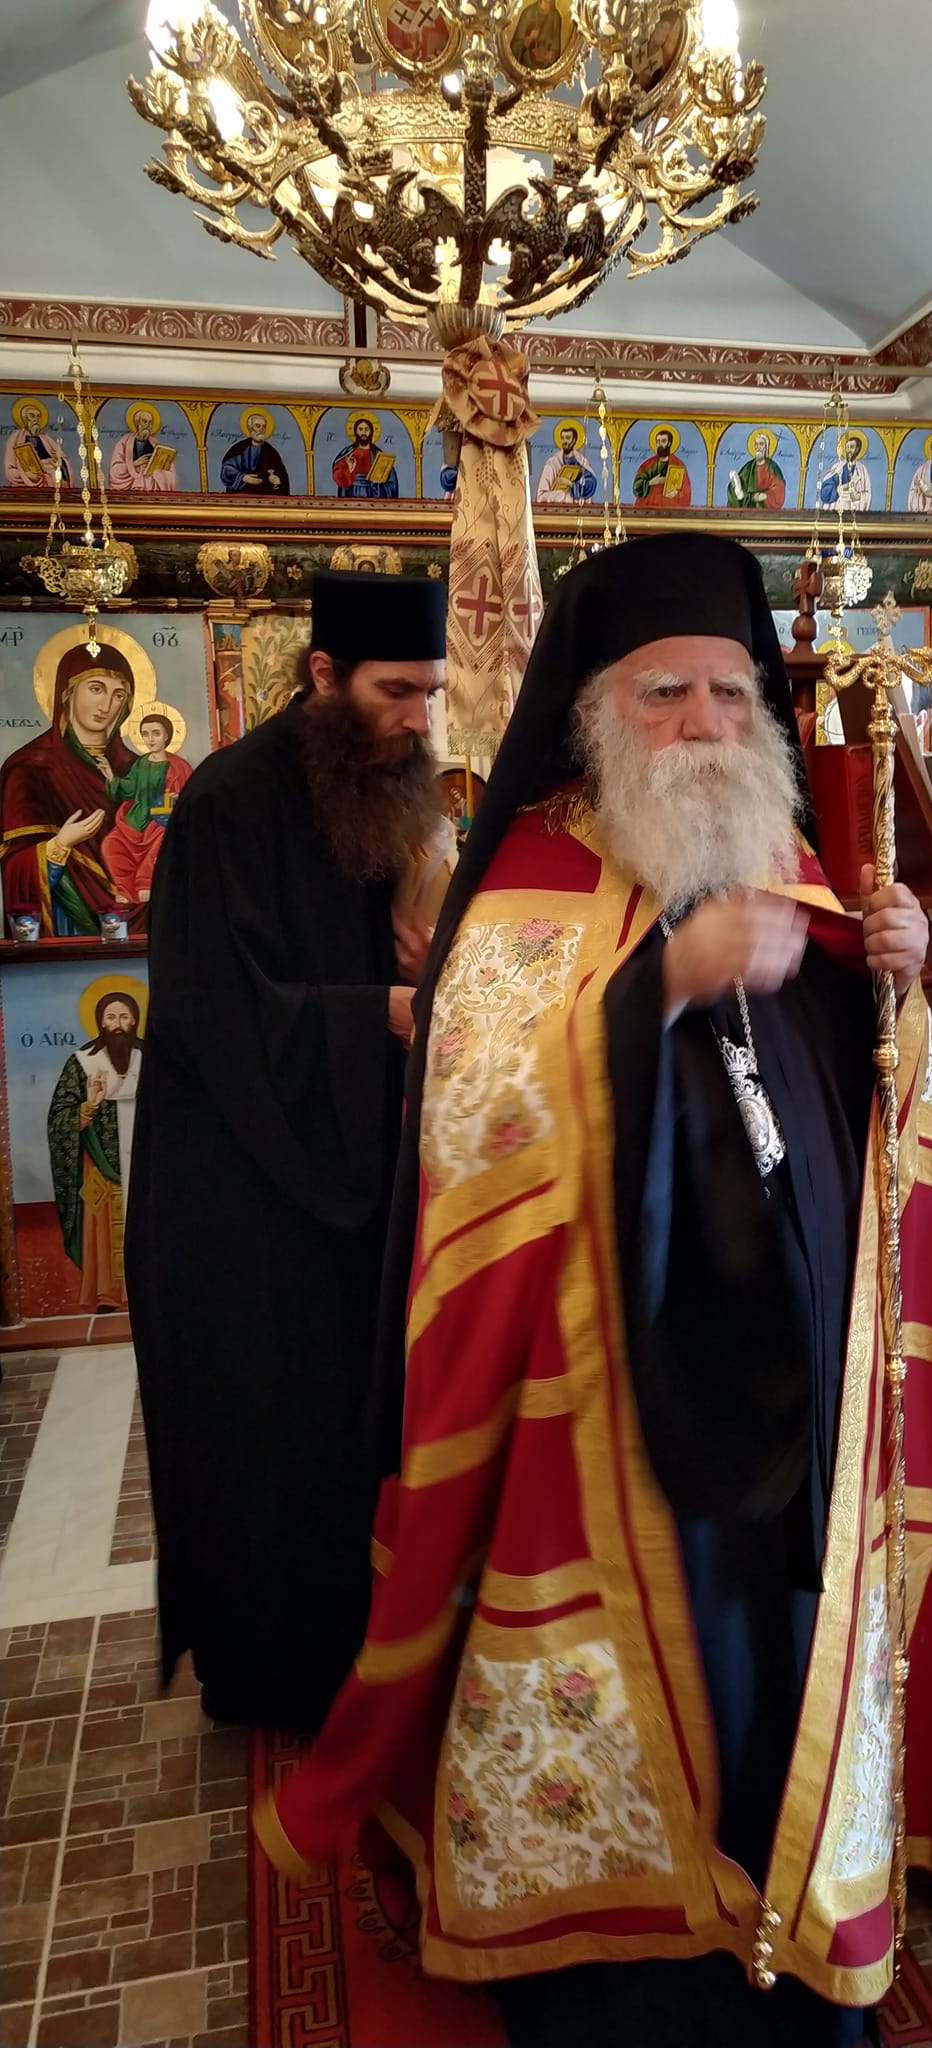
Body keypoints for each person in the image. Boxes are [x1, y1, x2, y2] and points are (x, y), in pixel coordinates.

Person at [257, 533, 932, 2045]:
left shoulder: (785, 849)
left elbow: (859, 1091)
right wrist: (661, 981)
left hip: (793, 1353)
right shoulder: (530, 875)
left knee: (780, 1650)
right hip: (608, 1383)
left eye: (731, 692)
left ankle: (789, 1889)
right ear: (597, 709)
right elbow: (482, 1119)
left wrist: (893, 972)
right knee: (665, 1662)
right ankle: (633, 1966)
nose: (703, 723)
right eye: (663, 692)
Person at [127, 571, 453, 1731]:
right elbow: (216, 1011)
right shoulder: (227, 801)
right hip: (236, 1195)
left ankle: (358, 1649)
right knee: (262, 1434)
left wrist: (416, 963)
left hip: (342, 1166)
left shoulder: (373, 785)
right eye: (397, 690)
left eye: (431, 691)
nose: (418, 716)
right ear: (324, 675)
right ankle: (268, 1673)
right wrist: (383, 1013)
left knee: (341, 1428)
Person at [0, 640, 135, 937]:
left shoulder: (135, 770)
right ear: (67, 692)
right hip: (66, 924)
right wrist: (60, 845)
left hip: (136, 917)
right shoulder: (29, 768)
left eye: (118, 695)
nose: (106, 706)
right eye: (96, 689)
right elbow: (14, 865)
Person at [47, 990, 144, 1312]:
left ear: (136, 1020)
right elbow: (59, 1118)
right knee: (104, 1227)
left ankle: (151, 1287)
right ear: (100, 1022)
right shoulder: (82, 1063)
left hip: (147, 1160)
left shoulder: (152, 1058)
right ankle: (108, 1293)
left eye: (125, 1017)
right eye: (111, 1017)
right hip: (101, 1162)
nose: (118, 1024)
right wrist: (89, 1106)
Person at [102, 707, 193, 904]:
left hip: (162, 819)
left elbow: (187, 796)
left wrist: (177, 798)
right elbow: (129, 788)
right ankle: (126, 889)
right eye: (145, 734)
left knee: (163, 839)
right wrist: (111, 777)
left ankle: (146, 883)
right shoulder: (141, 763)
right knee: (111, 844)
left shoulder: (179, 766)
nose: (150, 739)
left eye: (156, 733)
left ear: (167, 736)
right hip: (137, 817)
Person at [109, 402, 179, 492]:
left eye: (150, 423)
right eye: (145, 421)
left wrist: (160, 468)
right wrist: (135, 464)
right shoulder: (123, 443)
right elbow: (114, 471)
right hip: (130, 488)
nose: (148, 426)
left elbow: (167, 469)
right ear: (137, 423)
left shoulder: (155, 444)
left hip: (151, 488)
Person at [219, 408, 291, 494]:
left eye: (264, 426)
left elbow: (282, 478)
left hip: (264, 497)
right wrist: (243, 478)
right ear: (250, 428)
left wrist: (277, 483)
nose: (261, 430)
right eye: (258, 426)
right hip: (241, 495)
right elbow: (227, 470)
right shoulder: (239, 448)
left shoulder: (272, 453)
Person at [4, 398, 69, 489]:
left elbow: (63, 461)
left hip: (50, 481)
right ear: (24, 419)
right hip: (25, 483)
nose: (36, 420)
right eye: (32, 416)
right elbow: (10, 470)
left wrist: (58, 463)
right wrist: (26, 475)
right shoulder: (15, 439)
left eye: (38, 416)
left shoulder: (47, 439)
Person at [332, 413, 400, 498]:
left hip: (373, 494)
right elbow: (337, 475)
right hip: (352, 493)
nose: (363, 432)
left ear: (371, 432)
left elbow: (392, 481)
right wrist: (348, 470)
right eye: (360, 429)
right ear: (356, 431)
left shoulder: (378, 455)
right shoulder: (348, 454)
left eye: (366, 429)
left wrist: (379, 483)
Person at [534, 420, 599, 504]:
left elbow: (590, 484)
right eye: (563, 438)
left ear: (574, 440)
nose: (564, 441)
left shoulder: (582, 462)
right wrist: (560, 495)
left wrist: (571, 484)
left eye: (568, 438)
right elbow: (540, 497)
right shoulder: (552, 464)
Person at [727, 428, 788, 510]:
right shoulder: (748, 467)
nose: (758, 447)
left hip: (766, 508)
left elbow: (779, 488)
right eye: (756, 444)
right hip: (749, 506)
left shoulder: (772, 467)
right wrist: (735, 485)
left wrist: (766, 496)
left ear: (766, 448)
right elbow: (739, 485)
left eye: (761, 444)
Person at [632, 424, 692, 506]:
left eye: (663, 441)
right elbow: (636, 486)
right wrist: (651, 482)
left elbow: (686, 490)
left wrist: (677, 493)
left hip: (669, 505)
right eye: (658, 441)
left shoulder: (678, 465)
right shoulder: (648, 464)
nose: (660, 444)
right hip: (649, 504)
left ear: (669, 443)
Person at [819, 431, 872, 513]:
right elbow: (825, 491)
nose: (848, 450)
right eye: (847, 447)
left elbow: (867, 494)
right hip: (837, 505)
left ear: (857, 449)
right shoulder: (838, 467)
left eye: (851, 447)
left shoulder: (862, 470)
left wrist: (858, 496)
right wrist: (842, 487)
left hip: (854, 507)